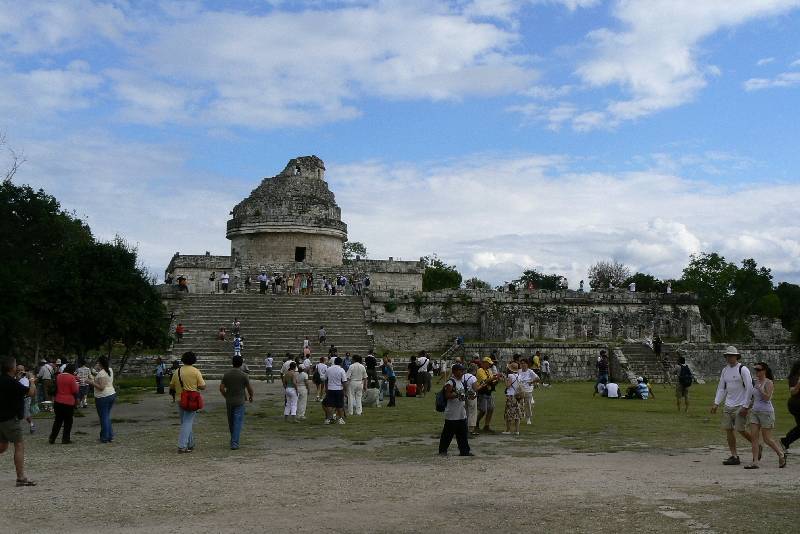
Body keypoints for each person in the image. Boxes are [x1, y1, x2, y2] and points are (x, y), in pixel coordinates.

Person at [711, 346, 754, 466]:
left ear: (736, 356)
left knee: (741, 429)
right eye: (727, 356)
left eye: (731, 355)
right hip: (728, 405)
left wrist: (746, 406)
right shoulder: (725, 370)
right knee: (728, 430)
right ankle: (734, 455)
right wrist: (716, 403)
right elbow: (721, 388)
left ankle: (756, 445)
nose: (728, 358)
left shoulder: (743, 369)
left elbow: (749, 387)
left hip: (740, 404)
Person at [0, 357, 37, 486]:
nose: (17, 368)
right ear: (11, 368)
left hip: (1, 419)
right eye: (16, 366)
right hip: (10, 419)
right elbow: (31, 393)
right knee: (19, 445)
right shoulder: (12, 382)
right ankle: (20, 478)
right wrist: (32, 380)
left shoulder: (4, 380)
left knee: (2, 446)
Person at [743, 362, 786, 469]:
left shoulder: (769, 382)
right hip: (755, 412)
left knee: (767, 439)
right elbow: (754, 398)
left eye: (759, 370)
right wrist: (747, 407)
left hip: (766, 413)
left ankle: (781, 454)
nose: (756, 372)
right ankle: (755, 462)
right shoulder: (756, 382)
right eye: (755, 370)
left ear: (764, 371)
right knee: (754, 437)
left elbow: (767, 398)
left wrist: (761, 389)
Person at [170, 352, 206, 453]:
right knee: (188, 422)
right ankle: (182, 445)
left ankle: (190, 443)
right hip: (192, 399)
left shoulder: (177, 371)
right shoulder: (195, 371)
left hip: (180, 399)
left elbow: (171, 386)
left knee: (185, 422)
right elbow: (203, 386)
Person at [438, 363, 473, 457]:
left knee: (462, 434)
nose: (462, 372)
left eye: (462, 371)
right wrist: (458, 395)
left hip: (461, 412)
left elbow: (464, 395)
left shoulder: (462, 382)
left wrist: (469, 395)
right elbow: (447, 395)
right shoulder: (450, 382)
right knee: (447, 434)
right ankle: (442, 450)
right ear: (454, 371)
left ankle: (464, 451)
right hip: (452, 413)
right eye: (460, 370)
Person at [220, 355, 254, 450]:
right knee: (237, 421)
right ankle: (234, 442)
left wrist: (226, 395)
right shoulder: (243, 375)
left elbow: (221, 388)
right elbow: (249, 388)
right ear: (241, 364)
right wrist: (251, 396)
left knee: (231, 421)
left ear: (232, 363)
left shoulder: (227, 374)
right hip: (240, 400)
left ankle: (233, 439)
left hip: (229, 401)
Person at [49, 363, 78, 445]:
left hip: (58, 400)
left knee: (58, 420)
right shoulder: (72, 378)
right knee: (68, 421)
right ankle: (65, 439)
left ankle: (52, 437)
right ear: (72, 370)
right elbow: (74, 390)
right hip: (68, 402)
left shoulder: (59, 376)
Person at [89, 356, 116, 444]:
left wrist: (91, 382)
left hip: (103, 397)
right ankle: (109, 435)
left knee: (103, 417)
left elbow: (101, 387)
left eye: (98, 363)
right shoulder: (109, 370)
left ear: (100, 363)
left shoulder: (102, 373)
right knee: (106, 416)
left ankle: (105, 437)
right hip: (111, 393)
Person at [475, 357, 501, 434]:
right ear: (484, 362)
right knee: (483, 410)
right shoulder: (480, 370)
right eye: (488, 363)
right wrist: (494, 377)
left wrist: (497, 380)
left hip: (488, 392)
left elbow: (492, 382)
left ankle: (487, 426)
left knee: (491, 408)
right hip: (482, 392)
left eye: (490, 364)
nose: (490, 365)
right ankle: (475, 423)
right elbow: (485, 381)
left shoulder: (488, 371)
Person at [780, 360, 800, 452]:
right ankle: (785, 441)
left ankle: (785, 441)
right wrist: (799, 384)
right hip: (796, 405)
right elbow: (792, 391)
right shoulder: (794, 377)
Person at [323, 357, 347, 424]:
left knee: (329, 405)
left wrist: (326, 388)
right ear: (341, 363)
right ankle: (340, 419)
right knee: (339, 405)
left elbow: (326, 380)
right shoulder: (341, 370)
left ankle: (328, 419)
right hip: (339, 389)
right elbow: (344, 381)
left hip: (330, 389)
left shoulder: (329, 369)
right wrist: (345, 390)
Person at [516, 359, 540, 425]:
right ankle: (519, 418)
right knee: (519, 405)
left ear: (527, 364)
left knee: (528, 405)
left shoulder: (530, 371)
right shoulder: (518, 371)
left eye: (524, 363)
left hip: (528, 390)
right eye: (521, 363)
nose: (523, 365)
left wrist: (531, 382)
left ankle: (528, 418)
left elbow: (538, 378)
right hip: (520, 391)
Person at [502, 362, 523, 435]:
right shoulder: (519, 375)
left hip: (511, 396)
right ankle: (517, 430)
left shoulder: (510, 375)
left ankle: (508, 430)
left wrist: (505, 378)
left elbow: (508, 385)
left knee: (509, 413)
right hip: (518, 396)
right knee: (517, 413)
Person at [15, 366, 35, 434]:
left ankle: (32, 424)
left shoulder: (26, 378)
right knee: (16, 413)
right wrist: (17, 378)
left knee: (26, 414)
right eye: (18, 370)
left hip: (26, 398)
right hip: (18, 398)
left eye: (21, 370)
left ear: (24, 370)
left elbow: (27, 389)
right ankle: (16, 428)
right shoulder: (15, 378)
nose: (19, 371)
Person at [463, 363, 479, 435]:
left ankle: (464, 427)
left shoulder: (463, 376)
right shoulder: (473, 378)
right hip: (471, 395)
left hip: (463, 395)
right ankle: (471, 429)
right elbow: (475, 388)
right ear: (475, 370)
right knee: (472, 412)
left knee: (465, 412)